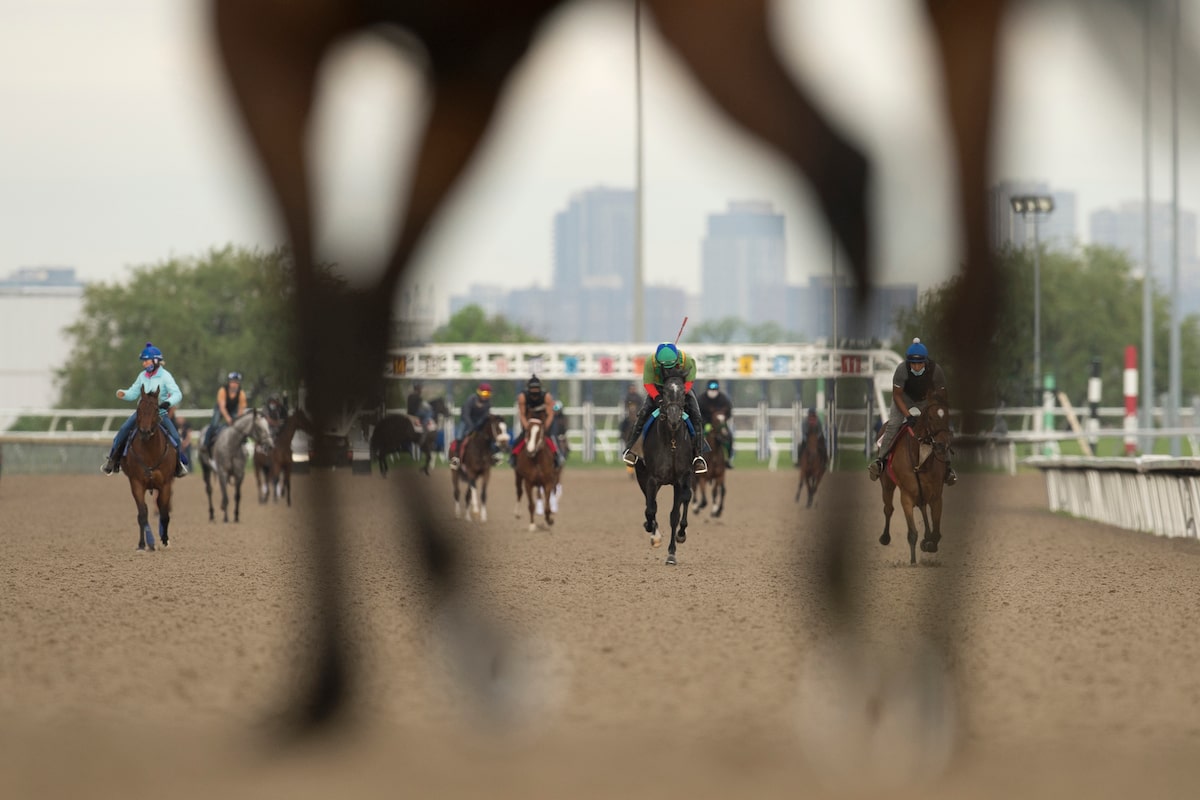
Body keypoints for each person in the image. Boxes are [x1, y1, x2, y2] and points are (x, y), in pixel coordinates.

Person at [868, 338, 957, 485]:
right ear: (908, 362)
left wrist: (938, 411)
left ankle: (947, 468)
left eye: (919, 363)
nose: (916, 367)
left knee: (940, 428)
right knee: (893, 425)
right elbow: (897, 395)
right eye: (913, 364)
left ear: (926, 362)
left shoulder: (936, 371)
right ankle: (880, 462)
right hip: (904, 398)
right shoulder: (901, 370)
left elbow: (941, 395)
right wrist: (908, 416)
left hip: (925, 399)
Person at [101, 342, 189, 478]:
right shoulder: (142, 376)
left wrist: (167, 403)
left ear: (155, 360)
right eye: (143, 361)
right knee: (123, 430)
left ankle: (178, 465)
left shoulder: (166, 376)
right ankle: (112, 461)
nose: (144, 364)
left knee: (176, 437)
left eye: (146, 361)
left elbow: (177, 394)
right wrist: (124, 393)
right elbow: (133, 393)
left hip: (160, 414)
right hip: (141, 415)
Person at [621, 342, 707, 474]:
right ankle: (630, 449)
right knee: (643, 413)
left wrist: (680, 396)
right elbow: (648, 384)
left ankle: (698, 456)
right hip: (659, 389)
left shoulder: (688, 361)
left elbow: (689, 381)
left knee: (696, 415)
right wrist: (657, 398)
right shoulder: (650, 362)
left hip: (680, 388)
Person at [508, 375, 562, 468]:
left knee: (549, 437)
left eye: (536, 388)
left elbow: (550, 414)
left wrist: (545, 428)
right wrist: (527, 428)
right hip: (528, 419)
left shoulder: (547, 397)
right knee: (522, 437)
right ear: (529, 388)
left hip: (543, 419)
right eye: (532, 388)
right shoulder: (522, 397)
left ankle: (556, 456)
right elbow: (522, 414)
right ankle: (514, 455)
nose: (534, 391)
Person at [449, 382, 498, 469]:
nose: (485, 396)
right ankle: (455, 459)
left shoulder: (488, 404)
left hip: (478, 422)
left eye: (487, 393)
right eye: (483, 393)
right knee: (459, 437)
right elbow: (465, 414)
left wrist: (480, 424)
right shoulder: (471, 400)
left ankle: (492, 455)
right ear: (479, 392)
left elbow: (484, 416)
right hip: (466, 421)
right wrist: (471, 425)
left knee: (488, 436)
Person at [203, 371, 248, 452]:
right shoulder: (222, 391)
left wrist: (237, 420)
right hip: (220, 408)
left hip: (233, 409)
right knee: (214, 424)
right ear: (229, 382)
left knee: (238, 426)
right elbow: (222, 407)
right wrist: (228, 419)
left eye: (236, 382)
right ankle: (205, 444)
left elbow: (241, 410)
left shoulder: (241, 394)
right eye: (232, 382)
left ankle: (242, 445)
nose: (234, 384)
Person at [697, 379, 735, 468]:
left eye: (715, 389)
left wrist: (723, 420)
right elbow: (697, 413)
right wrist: (705, 423)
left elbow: (728, 412)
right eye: (711, 389)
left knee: (729, 436)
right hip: (704, 424)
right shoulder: (701, 399)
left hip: (719, 424)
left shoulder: (723, 399)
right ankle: (697, 458)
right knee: (697, 437)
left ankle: (728, 459)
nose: (713, 391)